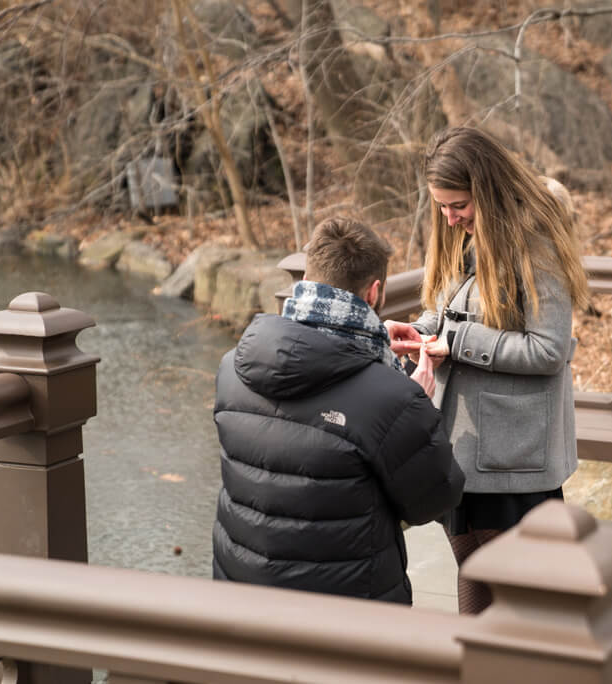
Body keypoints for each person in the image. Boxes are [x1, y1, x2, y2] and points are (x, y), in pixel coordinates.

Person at [384, 126, 590, 614]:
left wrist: (454, 342)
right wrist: (421, 331)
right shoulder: (469, 234)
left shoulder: (536, 245)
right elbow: (451, 306)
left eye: (458, 206)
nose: (450, 219)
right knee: (472, 568)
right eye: (442, 207)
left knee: (518, 591)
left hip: (515, 457)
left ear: (488, 190)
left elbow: (548, 350)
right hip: (463, 443)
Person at [212, 217, 464, 605]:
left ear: (309, 279)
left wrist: (377, 360)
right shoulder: (392, 398)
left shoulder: (232, 368)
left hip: (239, 601)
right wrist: (418, 405)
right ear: (376, 291)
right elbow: (436, 496)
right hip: (346, 619)